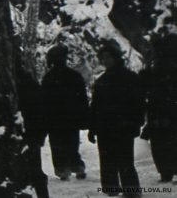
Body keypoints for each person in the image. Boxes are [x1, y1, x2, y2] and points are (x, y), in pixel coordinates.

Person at [88, 41, 145, 197]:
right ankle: (111, 191)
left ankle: (132, 192)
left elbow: (138, 103)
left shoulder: (130, 78)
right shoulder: (101, 81)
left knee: (125, 162)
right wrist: (92, 129)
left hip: (123, 127)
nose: (105, 61)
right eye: (103, 58)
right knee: (107, 162)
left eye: (108, 57)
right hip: (104, 128)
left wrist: (135, 123)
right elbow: (95, 107)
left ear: (116, 57)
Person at [41, 44, 89, 180]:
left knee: (57, 146)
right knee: (72, 144)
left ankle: (63, 170)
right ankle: (77, 167)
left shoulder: (48, 78)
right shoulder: (74, 76)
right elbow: (82, 99)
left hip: (55, 121)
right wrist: (84, 117)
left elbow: (44, 102)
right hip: (71, 119)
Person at [140, 34, 177, 183]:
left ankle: (165, 172)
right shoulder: (160, 69)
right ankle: (167, 171)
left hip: (158, 111)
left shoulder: (154, 70)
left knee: (160, 144)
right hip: (166, 110)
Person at [15, 66, 49, 198]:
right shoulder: (30, 84)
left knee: (33, 171)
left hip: (29, 134)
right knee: (34, 170)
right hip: (31, 134)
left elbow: (41, 113)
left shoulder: (26, 86)